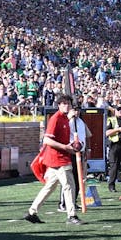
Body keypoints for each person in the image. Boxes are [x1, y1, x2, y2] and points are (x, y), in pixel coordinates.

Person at [23, 94, 83, 225]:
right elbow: (47, 140)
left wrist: (71, 147)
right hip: (58, 158)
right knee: (69, 186)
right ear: (59, 105)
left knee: (49, 187)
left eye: (69, 103)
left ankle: (32, 212)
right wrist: (65, 148)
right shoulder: (56, 119)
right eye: (64, 103)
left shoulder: (65, 119)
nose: (67, 106)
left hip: (58, 157)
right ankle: (71, 215)